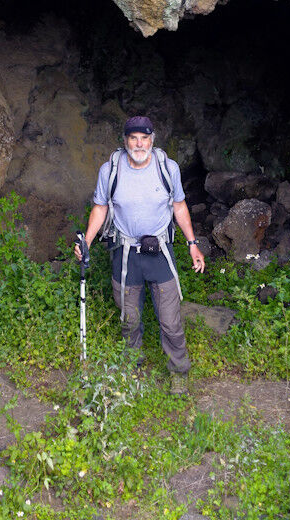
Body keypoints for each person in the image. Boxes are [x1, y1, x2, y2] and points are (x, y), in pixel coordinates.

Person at [75, 115, 205, 394]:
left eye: (144, 138)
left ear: (152, 140)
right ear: (125, 141)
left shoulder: (167, 168)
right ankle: (131, 364)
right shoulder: (110, 170)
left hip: (160, 254)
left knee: (170, 320)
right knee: (129, 318)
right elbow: (101, 208)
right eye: (133, 138)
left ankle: (178, 372)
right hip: (126, 254)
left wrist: (192, 243)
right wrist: (86, 241)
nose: (139, 144)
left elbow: (179, 206)